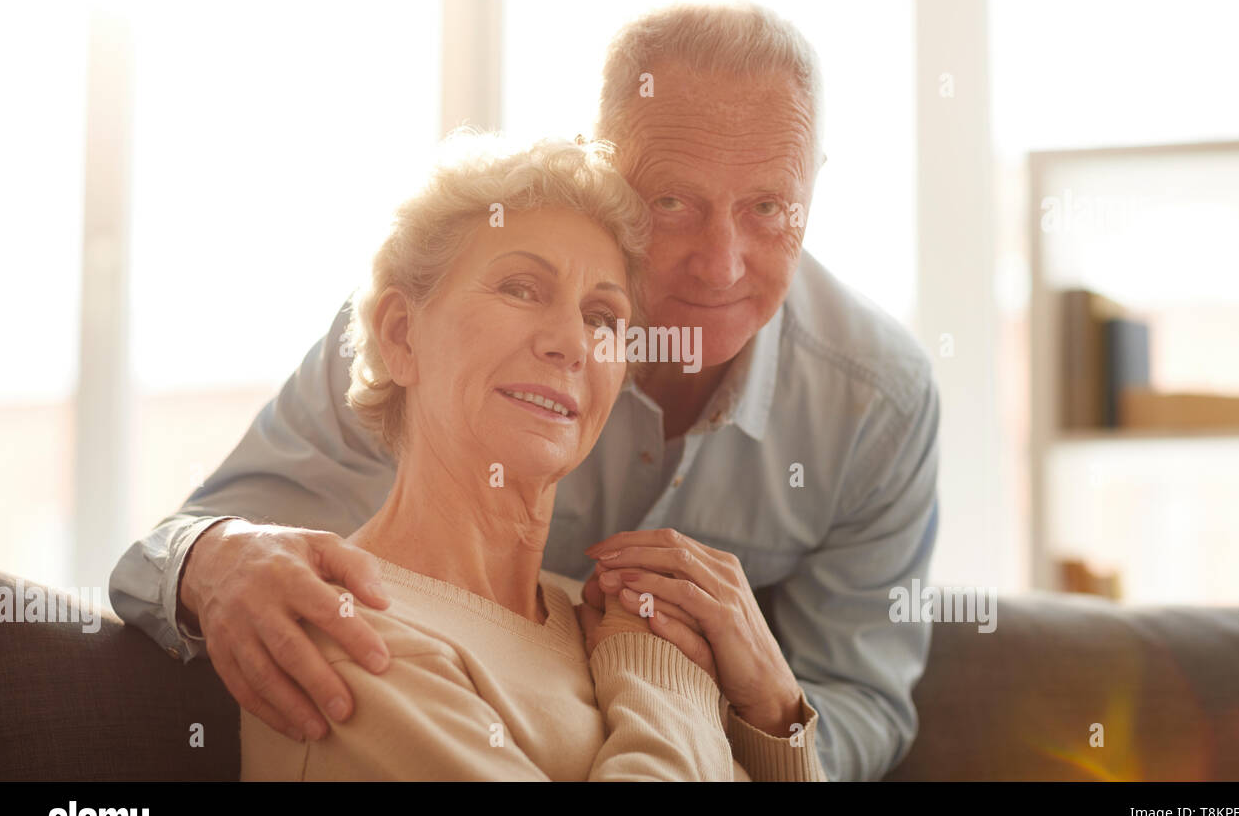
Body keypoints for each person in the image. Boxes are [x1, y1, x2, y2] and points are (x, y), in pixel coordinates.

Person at [110, 2, 941, 782]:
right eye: (672, 201)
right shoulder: (416, 335)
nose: (721, 263)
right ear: (604, 169)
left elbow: (858, 696)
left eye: (768, 207)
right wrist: (205, 559)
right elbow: (199, 547)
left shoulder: (877, 403)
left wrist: (768, 698)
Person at [240, 134, 824, 780]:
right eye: (520, 288)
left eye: (603, 317)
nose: (572, 342)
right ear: (402, 334)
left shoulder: (607, 618)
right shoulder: (345, 631)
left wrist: (774, 716)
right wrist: (668, 684)